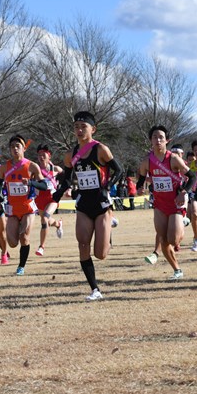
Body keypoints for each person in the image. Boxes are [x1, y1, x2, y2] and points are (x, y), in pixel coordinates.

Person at [51, 111, 124, 300]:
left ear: (93, 129)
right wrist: (58, 193)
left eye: (83, 126)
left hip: (101, 204)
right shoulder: (70, 155)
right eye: (76, 127)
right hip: (84, 204)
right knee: (83, 244)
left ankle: (109, 227)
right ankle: (95, 289)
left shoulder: (100, 149)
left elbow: (119, 170)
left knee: (100, 254)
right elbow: (67, 180)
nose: (79, 130)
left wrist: (107, 186)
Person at [137, 126, 196, 279]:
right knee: (163, 239)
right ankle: (177, 270)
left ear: (167, 141)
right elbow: (141, 178)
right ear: (150, 140)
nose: (158, 140)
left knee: (173, 239)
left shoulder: (174, 159)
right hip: (160, 204)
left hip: (176, 202)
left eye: (161, 137)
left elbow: (192, 177)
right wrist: (139, 188)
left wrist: (183, 192)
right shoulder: (147, 160)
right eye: (155, 137)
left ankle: (183, 221)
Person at [0, 135, 49, 275]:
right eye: (12, 146)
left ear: (23, 148)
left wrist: (31, 182)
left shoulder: (32, 166)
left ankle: (21, 267)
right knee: (13, 242)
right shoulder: (4, 167)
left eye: (17, 146)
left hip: (28, 208)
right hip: (12, 209)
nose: (15, 149)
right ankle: (13, 254)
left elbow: (44, 185)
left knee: (24, 237)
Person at [34, 144, 64, 256]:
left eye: (44, 155)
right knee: (46, 220)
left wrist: (66, 188)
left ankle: (41, 247)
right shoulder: (34, 169)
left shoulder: (55, 168)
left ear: (49, 156)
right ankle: (58, 224)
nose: (41, 157)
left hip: (52, 199)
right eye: (39, 155)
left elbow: (66, 175)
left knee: (45, 218)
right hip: (39, 199)